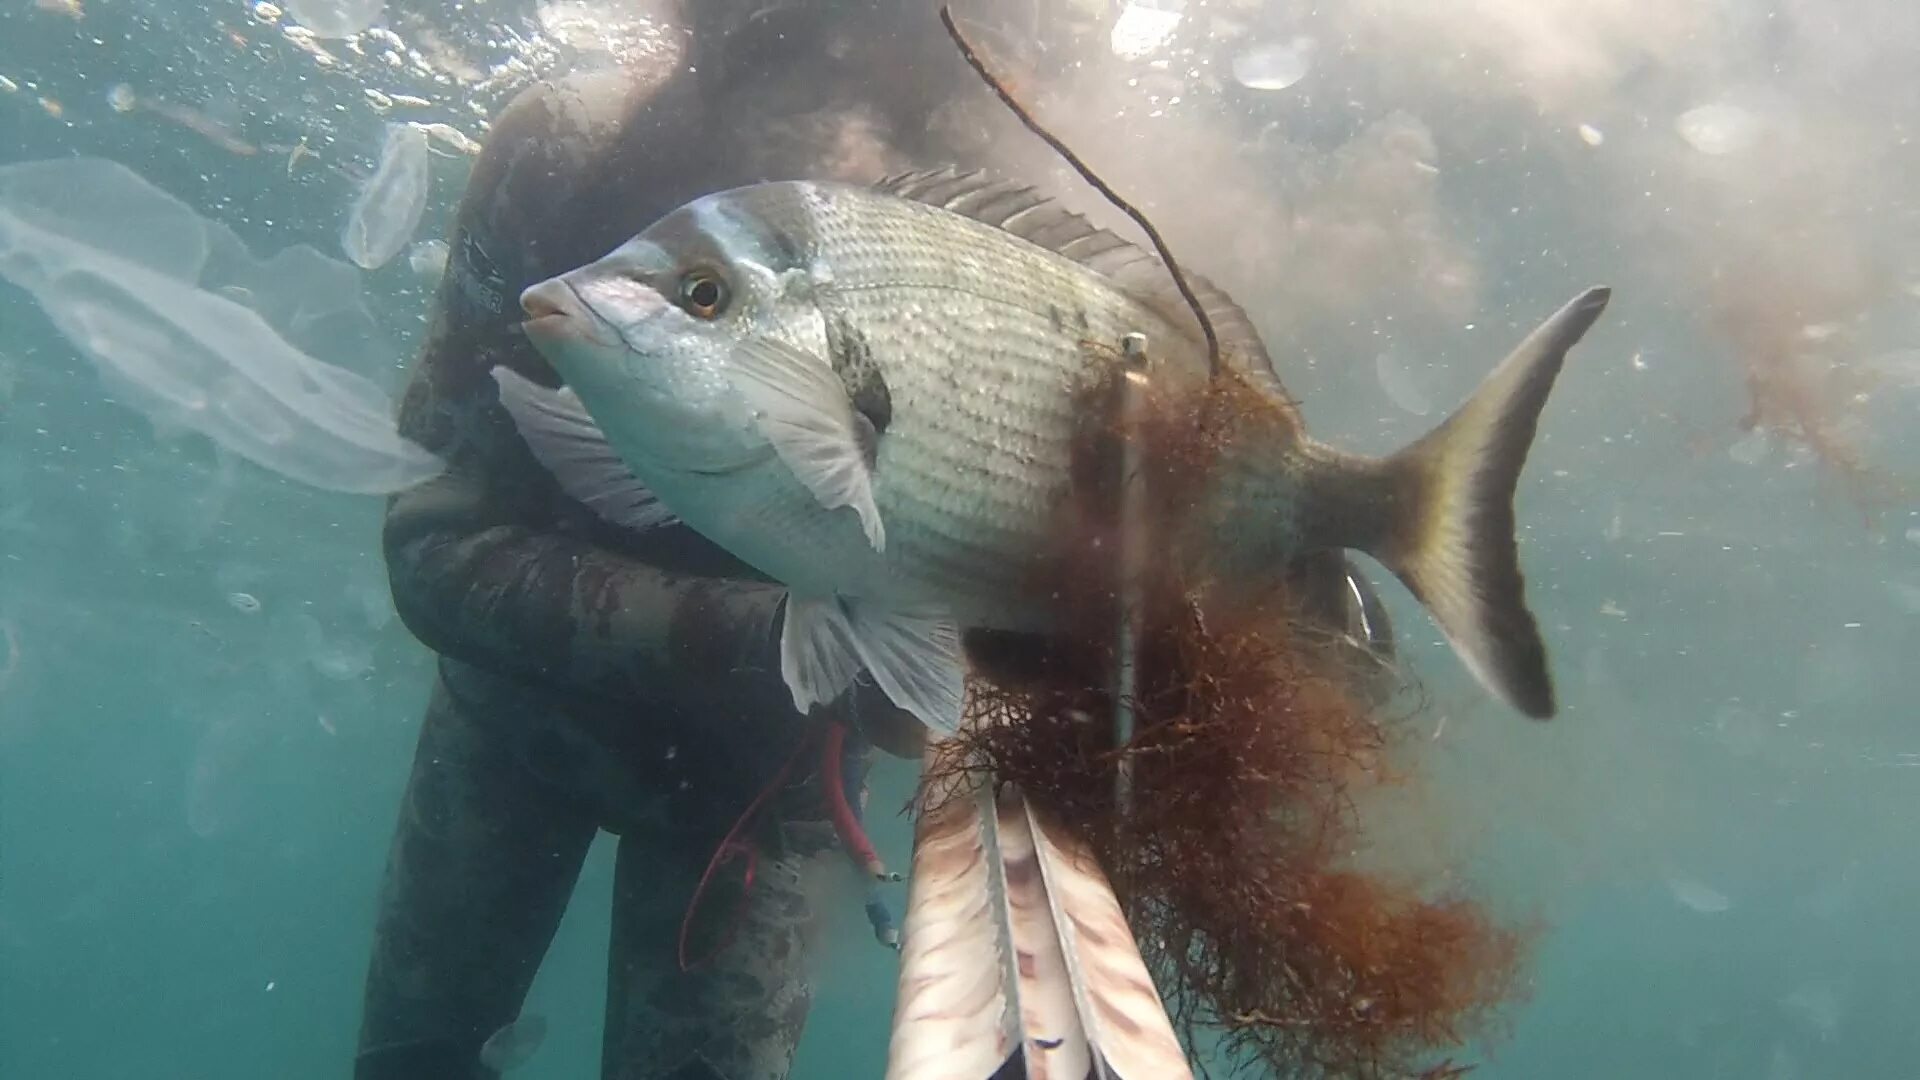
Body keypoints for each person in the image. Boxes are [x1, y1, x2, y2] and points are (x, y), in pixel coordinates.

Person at [353, 3, 1398, 1077]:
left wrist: (1290, 578)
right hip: (512, 740)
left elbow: (1148, 521)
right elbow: (430, 544)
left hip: (758, 807)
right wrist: (784, 641)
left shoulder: (1003, 225)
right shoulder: (565, 153)